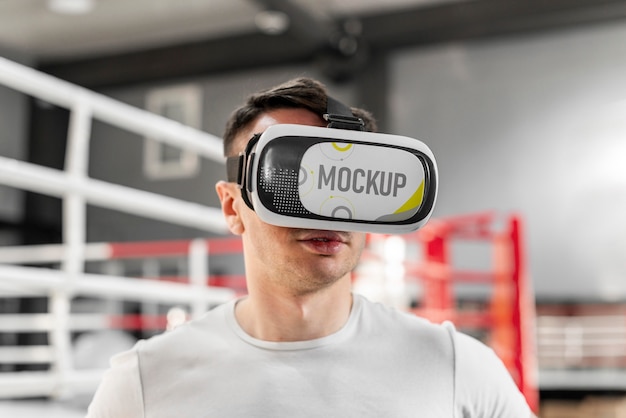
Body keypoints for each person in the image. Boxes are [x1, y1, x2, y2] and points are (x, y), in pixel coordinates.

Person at [86, 77, 535, 417]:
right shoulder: (144, 385)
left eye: (347, 182)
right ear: (232, 206)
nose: (328, 212)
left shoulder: (460, 370)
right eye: (291, 178)